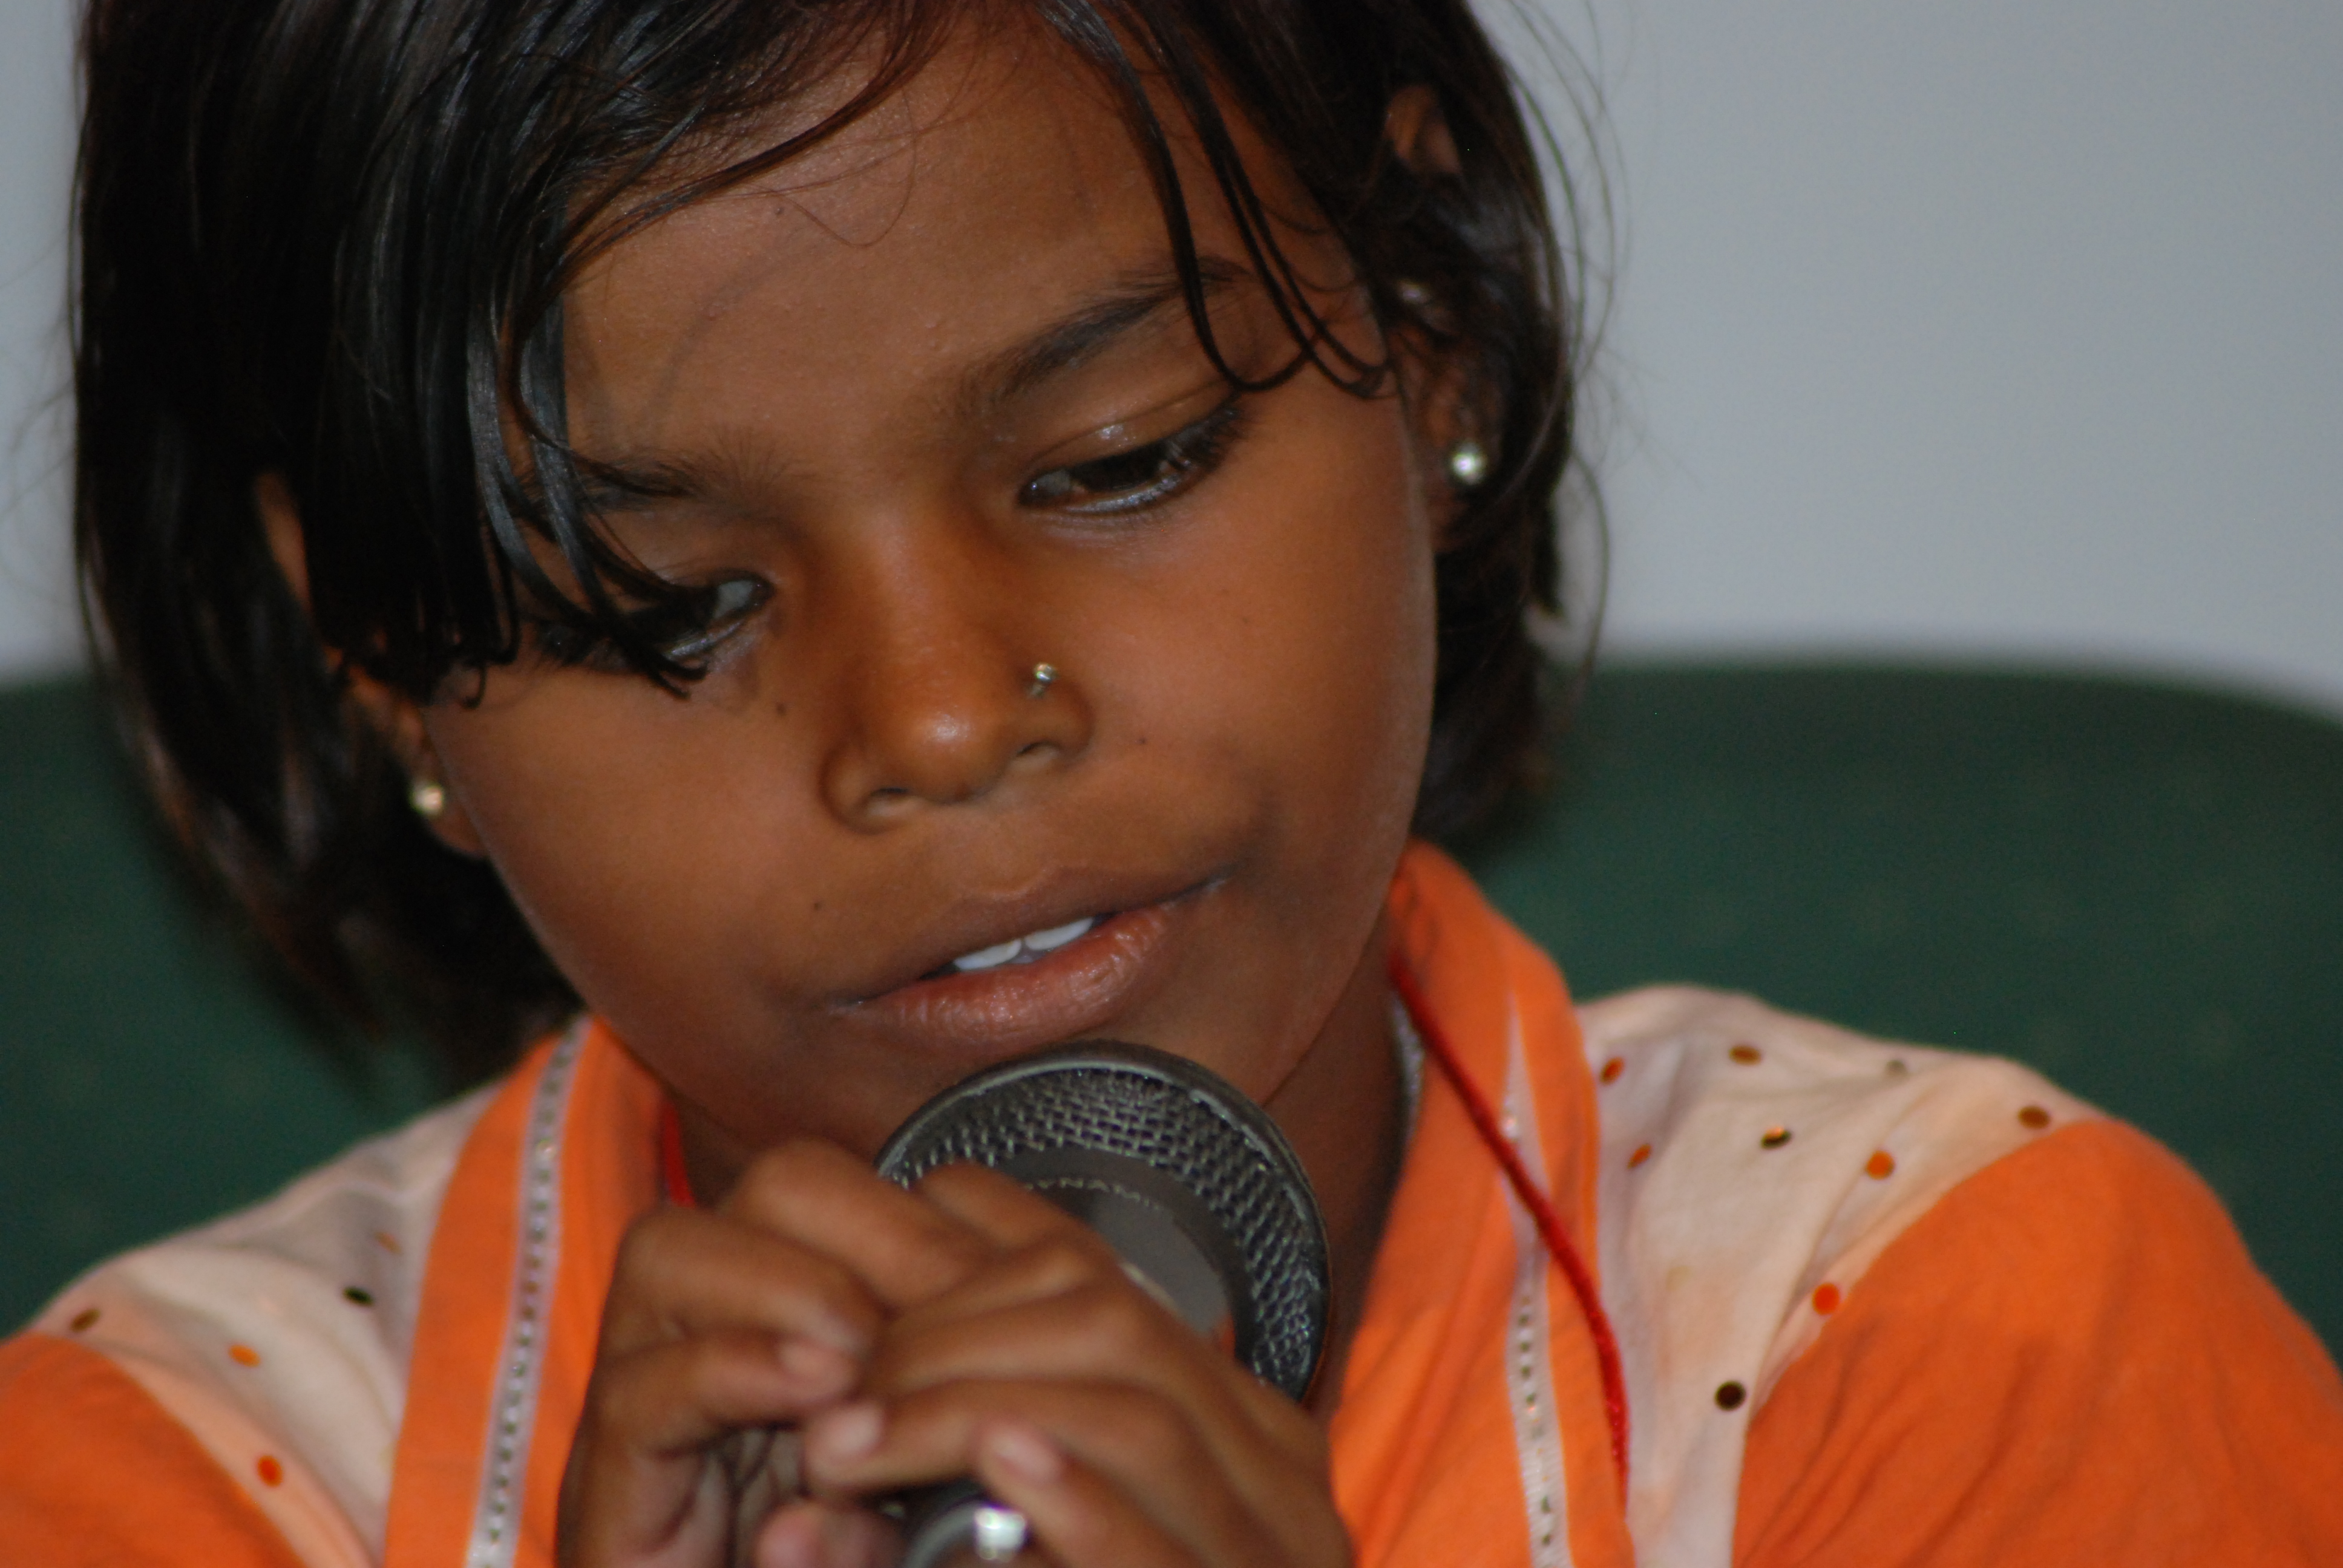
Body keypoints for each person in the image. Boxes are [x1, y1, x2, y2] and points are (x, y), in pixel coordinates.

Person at [4, 0, 2339, 1563]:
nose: (935, 721)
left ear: (1426, 334)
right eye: (673, 609)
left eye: (1125, 458)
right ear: (382, 664)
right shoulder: (163, 1486)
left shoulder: (1961, 1343)